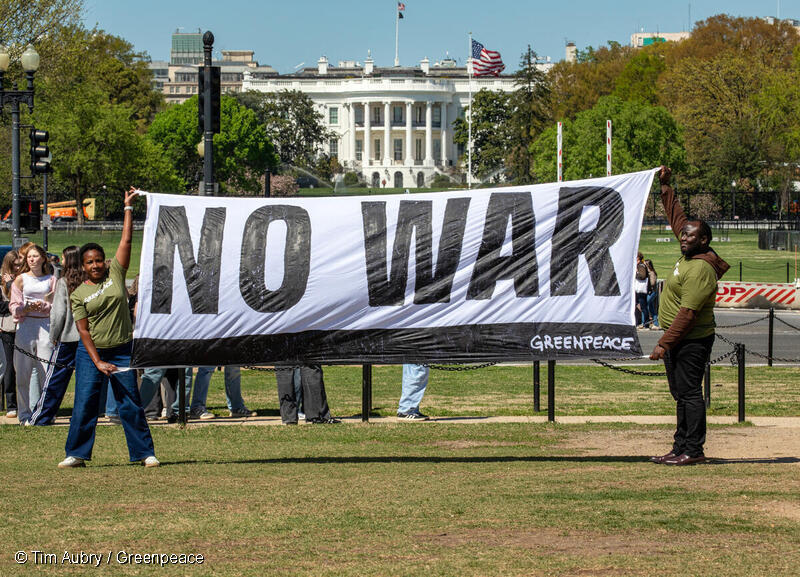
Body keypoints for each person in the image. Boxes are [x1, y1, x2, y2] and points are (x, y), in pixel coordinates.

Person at [59, 187, 159, 468]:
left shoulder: (115, 273)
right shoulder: (78, 293)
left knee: (130, 402)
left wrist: (128, 207)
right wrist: (98, 361)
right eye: (89, 262)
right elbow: (83, 331)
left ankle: (143, 453)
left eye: (98, 260)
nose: (95, 265)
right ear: (83, 265)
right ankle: (76, 453)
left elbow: (127, 240)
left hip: (122, 350)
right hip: (91, 354)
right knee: (85, 403)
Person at [649, 166, 729, 466]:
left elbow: (689, 313)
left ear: (704, 240)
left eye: (691, 236)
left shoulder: (701, 269)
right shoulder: (689, 254)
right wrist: (666, 188)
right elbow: (678, 219)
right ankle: (680, 445)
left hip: (690, 340)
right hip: (677, 340)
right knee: (680, 394)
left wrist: (664, 343)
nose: (683, 237)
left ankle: (693, 450)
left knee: (690, 394)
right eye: (683, 235)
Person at [30, 246, 82, 425]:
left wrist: (54, 334)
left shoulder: (63, 282)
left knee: (55, 380)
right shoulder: (89, 281)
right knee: (86, 380)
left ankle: (41, 417)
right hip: (87, 338)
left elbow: (58, 313)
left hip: (67, 337)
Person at [10, 244, 56, 425]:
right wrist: (25, 308)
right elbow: (13, 305)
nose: (32, 259)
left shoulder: (52, 280)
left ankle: (47, 412)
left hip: (45, 324)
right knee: (23, 372)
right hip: (26, 324)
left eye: (35, 256)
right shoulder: (20, 279)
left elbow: (56, 304)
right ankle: (24, 413)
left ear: (43, 258)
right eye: (29, 256)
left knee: (47, 371)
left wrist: (44, 306)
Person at [0, 250, 19, 418]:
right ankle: (10, 404)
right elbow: (2, 306)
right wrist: (16, 306)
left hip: (23, 326)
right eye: (15, 264)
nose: (18, 267)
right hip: (7, 327)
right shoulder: (2, 281)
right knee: (8, 367)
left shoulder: (22, 280)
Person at [634, 252, 650, 329]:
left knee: (643, 307)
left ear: (638, 258)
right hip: (639, 289)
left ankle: (646, 324)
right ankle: (641, 322)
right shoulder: (640, 265)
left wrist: (636, 273)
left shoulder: (641, 265)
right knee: (642, 306)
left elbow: (642, 276)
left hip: (641, 289)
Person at [645, 259, 659, 329]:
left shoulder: (652, 273)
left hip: (652, 292)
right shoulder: (649, 273)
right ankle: (655, 323)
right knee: (651, 307)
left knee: (646, 305)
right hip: (652, 292)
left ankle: (647, 321)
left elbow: (653, 283)